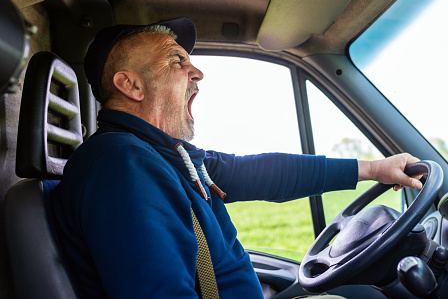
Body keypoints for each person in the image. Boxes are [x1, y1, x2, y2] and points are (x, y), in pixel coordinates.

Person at [51, 17, 422, 298]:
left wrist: (374, 169)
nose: (197, 71)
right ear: (130, 85)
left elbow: (261, 172)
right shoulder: (123, 168)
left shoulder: (164, 156)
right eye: (177, 61)